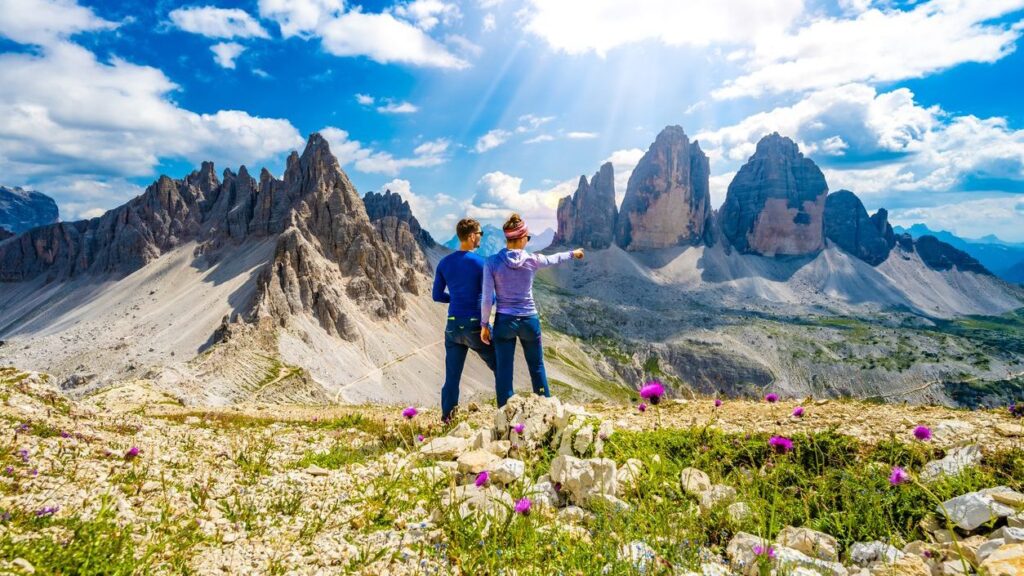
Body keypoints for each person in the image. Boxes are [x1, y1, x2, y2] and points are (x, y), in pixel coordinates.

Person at [481, 213, 583, 408]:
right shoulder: (533, 260)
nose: (527, 241)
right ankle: (546, 409)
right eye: (527, 238)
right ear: (520, 238)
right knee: (536, 366)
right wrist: (573, 253)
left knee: (504, 370)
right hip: (529, 320)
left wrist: (484, 325)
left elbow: (487, 299)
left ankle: (505, 414)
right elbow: (554, 259)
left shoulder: (491, 262)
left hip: (504, 322)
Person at [433, 218, 497, 423]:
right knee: (500, 366)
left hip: (452, 325)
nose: (481, 237)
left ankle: (447, 419)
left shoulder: (444, 263)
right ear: (471, 236)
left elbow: (437, 295)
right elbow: (490, 298)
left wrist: (456, 298)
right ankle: (508, 413)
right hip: (475, 325)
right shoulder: (481, 263)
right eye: (480, 233)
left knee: (452, 377)